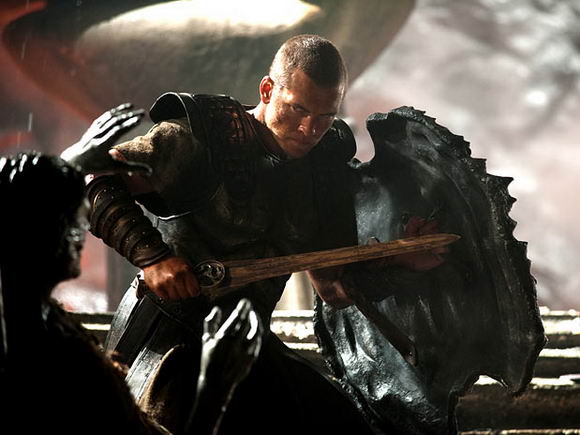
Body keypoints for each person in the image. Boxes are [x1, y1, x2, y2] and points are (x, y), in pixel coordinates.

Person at [85, 34, 445, 434]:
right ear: (268, 90)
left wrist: (401, 263)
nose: (309, 129)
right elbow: (93, 178)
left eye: (325, 116)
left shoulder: (323, 167)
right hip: (166, 340)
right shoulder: (200, 136)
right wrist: (152, 258)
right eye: (298, 109)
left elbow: (333, 288)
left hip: (247, 346)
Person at [0, 146, 262, 433]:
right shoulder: (52, 352)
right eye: (69, 225)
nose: (79, 237)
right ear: (32, 231)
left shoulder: (37, 319)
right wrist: (214, 383)